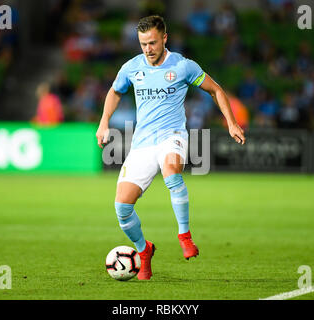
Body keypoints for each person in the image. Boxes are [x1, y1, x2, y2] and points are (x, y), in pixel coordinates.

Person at [96, 15, 245, 280]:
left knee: (172, 172)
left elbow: (216, 90)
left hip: (172, 135)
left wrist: (231, 123)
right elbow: (115, 91)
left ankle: (185, 236)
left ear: (165, 38)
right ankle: (144, 250)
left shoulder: (183, 66)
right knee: (122, 208)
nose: (148, 49)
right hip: (142, 142)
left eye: (152, 42)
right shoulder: (132, 67)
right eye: (143, 44)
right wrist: (104, 122)